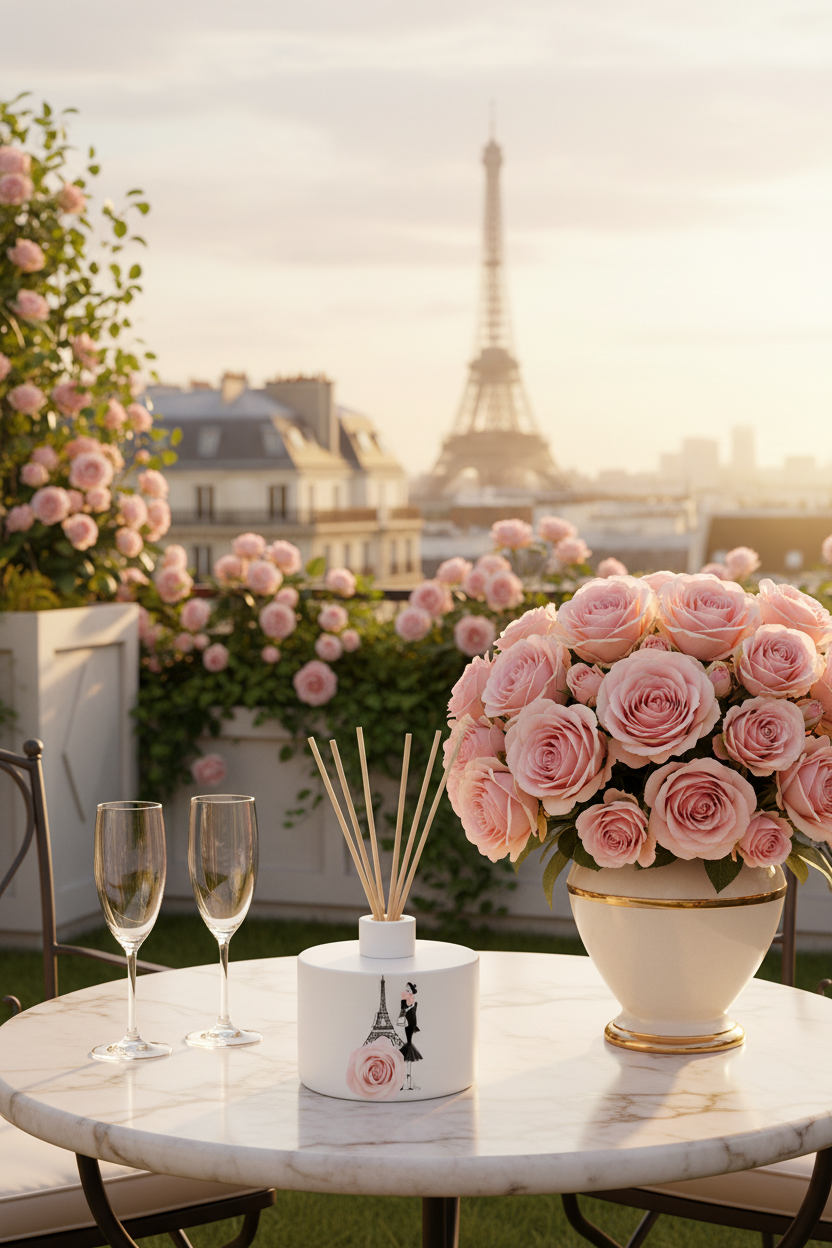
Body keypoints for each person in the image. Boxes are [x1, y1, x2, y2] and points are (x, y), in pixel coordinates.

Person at [399, 981, 422, 1091]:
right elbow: (403, 1010)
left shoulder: (412, 999)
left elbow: (411, 1011)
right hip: (408, 1023)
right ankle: (406, 1083)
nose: (406, 988)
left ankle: (406, 1083)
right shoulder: (406, 998)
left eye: (408, 987)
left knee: (408, 1048)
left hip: (411, 1023)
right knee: (408, 1048)